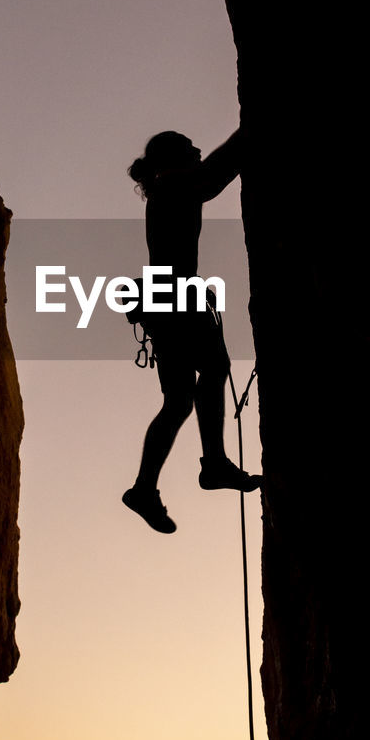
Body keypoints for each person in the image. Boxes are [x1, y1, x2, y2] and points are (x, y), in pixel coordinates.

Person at [122, 129, 261, 533]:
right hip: (175, 297)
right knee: (215, 367)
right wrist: (250, 128)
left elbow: (212, 173)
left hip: (165, 301)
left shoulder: (167, 186)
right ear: (175, 157)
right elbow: (215, 176)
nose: (199, 151)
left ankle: (145, 487)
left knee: (179, 400)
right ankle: (213, 463)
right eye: (190, 148)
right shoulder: (173, 182)